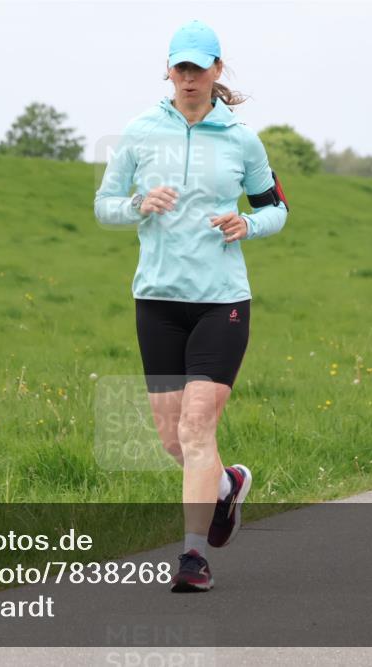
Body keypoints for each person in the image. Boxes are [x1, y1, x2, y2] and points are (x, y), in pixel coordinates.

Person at [93, 19, 288, 592]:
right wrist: (137, 204)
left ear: (217, 72)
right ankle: (227, 487)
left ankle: (193, 558)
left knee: (198, 427)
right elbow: (104, 205)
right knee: (172, 439)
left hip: (221, 302)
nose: (189, 77)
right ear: (169, 70)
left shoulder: (241, 139)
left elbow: (276, 208)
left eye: (200, 68)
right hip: (156, 299)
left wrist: (247, 223)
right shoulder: (139, 131)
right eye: (181, 67)